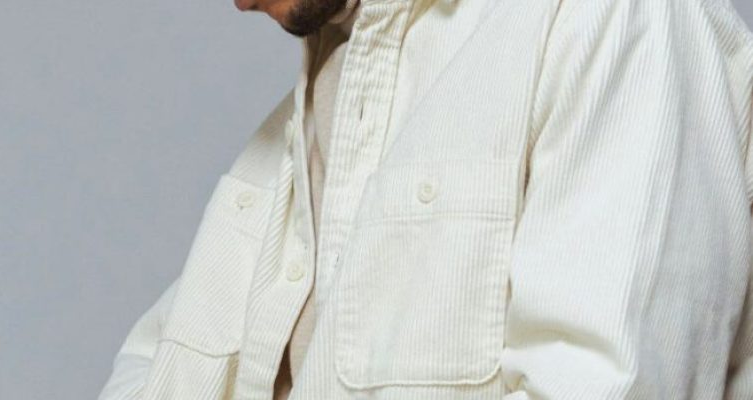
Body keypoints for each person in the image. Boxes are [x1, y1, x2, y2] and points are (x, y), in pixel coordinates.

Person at [99, 0, 753, 398]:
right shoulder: (311, 115)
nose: (237, 5)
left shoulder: (610, 17)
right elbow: (159, 369)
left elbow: (612, 384)